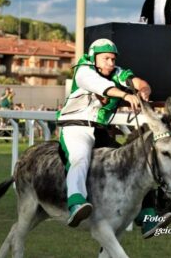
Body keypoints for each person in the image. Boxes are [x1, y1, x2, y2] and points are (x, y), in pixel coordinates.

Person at [57, 38, 153, 227]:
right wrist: (126, 95)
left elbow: (137, 82)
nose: (111, 63)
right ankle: (76, 203)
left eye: (113, 59)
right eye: (106, 58)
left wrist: (144, 90)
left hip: (100, 131)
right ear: (93, 58)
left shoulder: (117, 72)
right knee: (80, 158)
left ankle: (148, 215)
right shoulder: (83, 71)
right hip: (75, 127)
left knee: (135, 162)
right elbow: (104, 87)